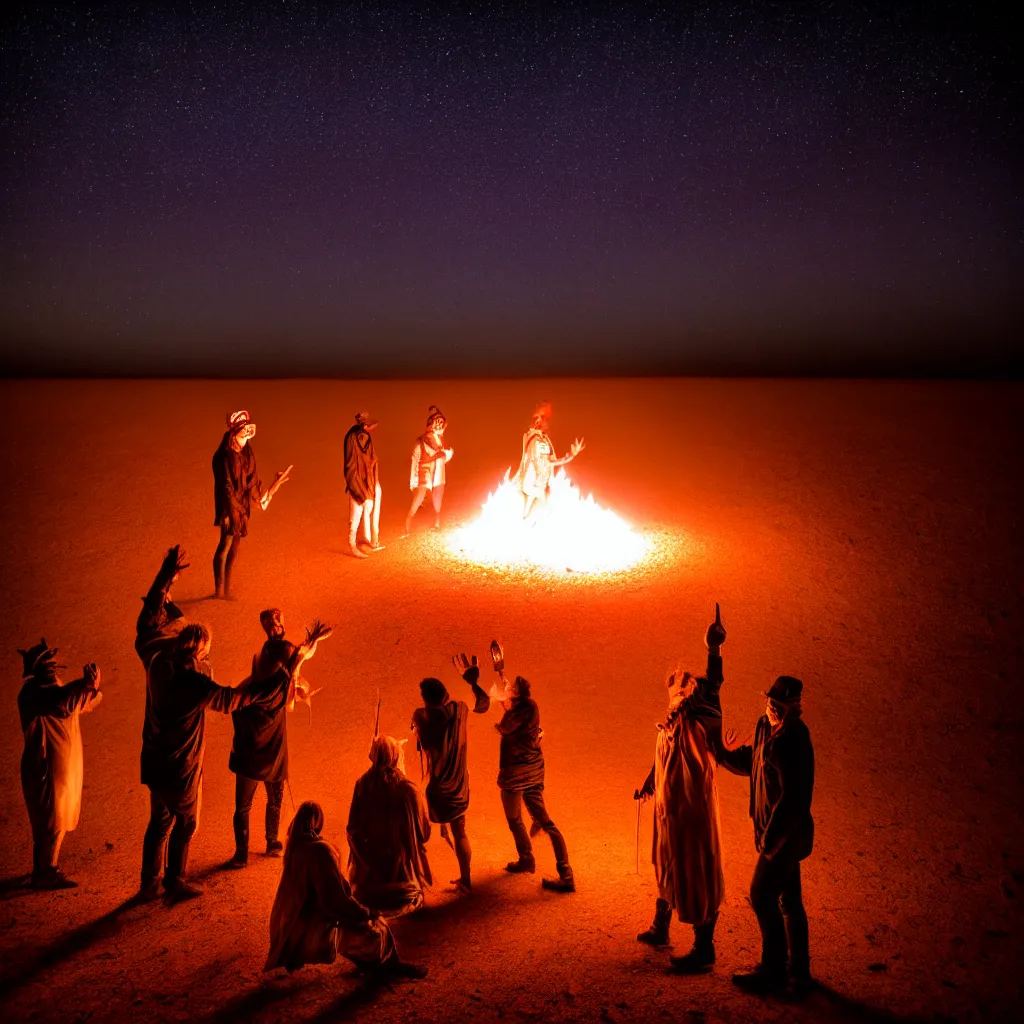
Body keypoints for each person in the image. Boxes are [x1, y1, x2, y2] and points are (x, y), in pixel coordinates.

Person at [134, 545, 289, 902]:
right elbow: (232, 699)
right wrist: (272, 686)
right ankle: (175, 881)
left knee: (158, 821)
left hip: (154, 760)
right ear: (198, 650)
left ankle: (148, 883)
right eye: (206, 650)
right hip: (181, 766)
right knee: (186, 823)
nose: (208, 654)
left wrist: (163, 579)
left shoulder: (156, 660)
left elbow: (145, 626)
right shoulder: (197, 683)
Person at [707, 673, 815, 993]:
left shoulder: (795, 739)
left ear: (795, 707)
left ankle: (774, 969)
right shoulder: (765, 727)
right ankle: (798, 972)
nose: (773, 710)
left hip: (784, 838)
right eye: (771, 703)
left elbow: (795, 798)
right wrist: (725, 754)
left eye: (780, 706)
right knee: (789, 901)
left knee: (761, 894)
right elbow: (752, 762)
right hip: (773, 834)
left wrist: (771, 841)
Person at [634, 605, 727, 973]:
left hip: (692, 813)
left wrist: (714, 649)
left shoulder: (701, 708)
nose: (675, 686)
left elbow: (715, 684)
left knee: (696, 872)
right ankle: (661, 927)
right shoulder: (672, 720)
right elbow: (664, 755)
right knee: (668, 866)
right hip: (669, 811)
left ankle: (705, 949)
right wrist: (648, 781)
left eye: (681, 683)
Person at [266, 800, 427, 980]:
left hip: (300, 930)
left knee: (368, 927)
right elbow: (335, 901)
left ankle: (374, 964)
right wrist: (366, 912)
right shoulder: (319, 851)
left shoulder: (295, 850)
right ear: (317, 821)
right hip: (320, 929)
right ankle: (389, 968)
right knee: (378, 929)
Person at [227, 610, 331, 868]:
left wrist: (310, 646)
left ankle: (270, 842)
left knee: (272, 798)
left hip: (268, 745)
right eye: (275, 623)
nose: (277, 626)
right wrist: (310, 646)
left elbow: (299, 659)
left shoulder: (267, 672)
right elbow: (299, 657)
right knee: (245, 803)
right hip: (257, 744)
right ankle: (243, 851)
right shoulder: (271, 670)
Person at [17, 639, 102, 889]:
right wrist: (85, 685)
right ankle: (46, 872)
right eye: (47, 663)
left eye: (52, 662)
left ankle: (41, 868)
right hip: (45, 765)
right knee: (51, 820)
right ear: (36, 667)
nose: (52, 667)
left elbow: (77, 703)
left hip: (60, 762)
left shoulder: (53, 687)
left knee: (54, 818)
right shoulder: (34, 693)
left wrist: (90, 689)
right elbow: (62, 702)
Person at [490, 651, 574, 893]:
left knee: (514, 818)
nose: (506, 686)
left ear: (516, 698)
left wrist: (504, 706)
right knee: (547, 823)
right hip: (535, 772)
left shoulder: (513, 715)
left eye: (510, 688)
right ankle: (564, 871)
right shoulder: (531, 706)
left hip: (515, 776)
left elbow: (504, 728)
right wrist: (508, 700)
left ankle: (527, 858)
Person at [410, 655, 491, 894]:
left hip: (436, 791)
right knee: (460, 831)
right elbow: (484, 704)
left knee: (418, 829)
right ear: (445, 695)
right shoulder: (459, 710)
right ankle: (466, 879)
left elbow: (421, 736)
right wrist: (473, 683)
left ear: (426, 700)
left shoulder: (421, 718)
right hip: (458, 786)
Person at [347, 735, 432, 916]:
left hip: (368, 885)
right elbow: (424, 833)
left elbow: (352, 829)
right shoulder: (408, 789)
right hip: (402, 884)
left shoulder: (362, 785)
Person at [212, 410, 266, 598]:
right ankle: (218, 591)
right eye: (243, 431)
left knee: (235, 546)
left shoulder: (247, 450)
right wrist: (229, 511)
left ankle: (227, 588)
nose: (246, 435)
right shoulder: (224, 456)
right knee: (224, 546)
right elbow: (226, 486)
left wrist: (258, 497)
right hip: (230, 508)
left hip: (242, 506)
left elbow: (252, 477)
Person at [514, 401, 585, 520]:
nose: (546, 422)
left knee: (529, 513)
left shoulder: (541, 439)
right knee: (545, 508)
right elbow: (547, 462)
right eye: (543, 419)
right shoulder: (537, 440)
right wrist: (571, 455)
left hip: (535, 485)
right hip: (532, 484)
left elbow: (549, 460)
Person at [405, 405, 454, 535]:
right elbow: (417, 460)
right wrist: (413, 481)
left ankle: (436, 522)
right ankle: (408, 525)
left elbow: (442, 456)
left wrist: (443, 455)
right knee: (419, 498)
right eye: (437, 425)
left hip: (434, 475)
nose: (440, 428)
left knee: (435, 498)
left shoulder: (438, 441)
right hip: (424, 474)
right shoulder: (422, 442)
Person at [343, 411, 383, 558]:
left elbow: (369, 457)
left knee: (368, 507)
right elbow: (360, 459)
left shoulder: (359, 436)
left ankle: (366, 540)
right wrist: (371, 462)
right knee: (356, 513)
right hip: (356, 480)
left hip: (367, 480)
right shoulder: (357, 438)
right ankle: (352, 545)